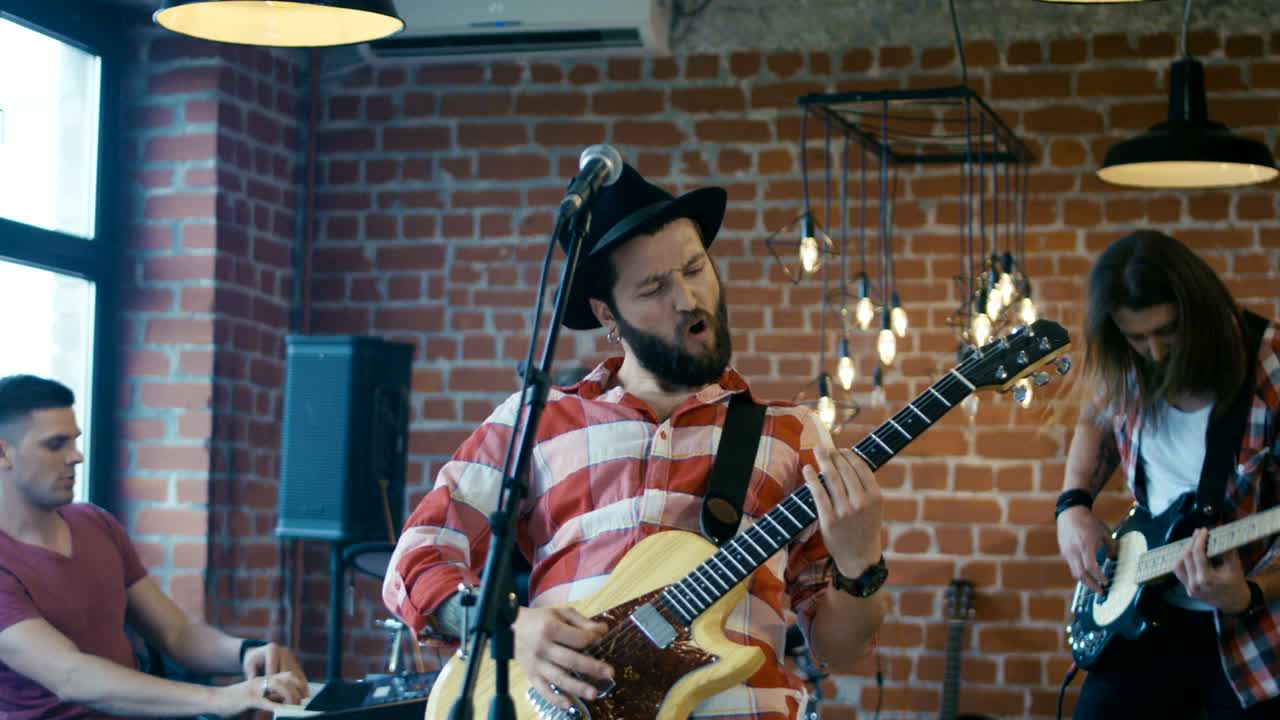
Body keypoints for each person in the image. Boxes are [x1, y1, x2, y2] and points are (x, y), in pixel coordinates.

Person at [383, 164, 888, 718]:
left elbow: (838, 650)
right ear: (608, 314)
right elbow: (419, 554)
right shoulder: (537, 420)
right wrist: (510, 628)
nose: (688, 298)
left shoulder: (790, 432)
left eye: (695, 268)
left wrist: (860, 563)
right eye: (653, 288)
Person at [1054, 231, 1280, 719]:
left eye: (1167, 331)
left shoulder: (1271, 364)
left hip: (1251, 626)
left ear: (1199, 313)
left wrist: (1249, 593)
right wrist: (1072, 505)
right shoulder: (1126, 362)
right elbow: (1095, 420)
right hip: (1144, 607)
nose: (1154, 352)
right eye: (1137, 337)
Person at [0, 374, 309, 719]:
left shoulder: (95, 522)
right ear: (3, 453)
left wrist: (246, 652)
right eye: (55, 444)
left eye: (75, 441)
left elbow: (176, 633)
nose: (76, 456)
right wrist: (221, 699)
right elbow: (70, 676)